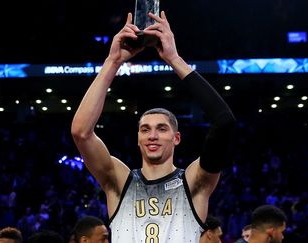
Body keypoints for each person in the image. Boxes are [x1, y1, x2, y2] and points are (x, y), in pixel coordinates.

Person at [71, 10, 236, 243]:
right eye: (145, 129)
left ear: (176, 138)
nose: (152, 136)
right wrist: (113, 62)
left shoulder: (193, 182)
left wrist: (174, 59)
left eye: (161, 128)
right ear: (138, 138)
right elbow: (81, 132)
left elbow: (224, 121)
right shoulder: (119, 181)